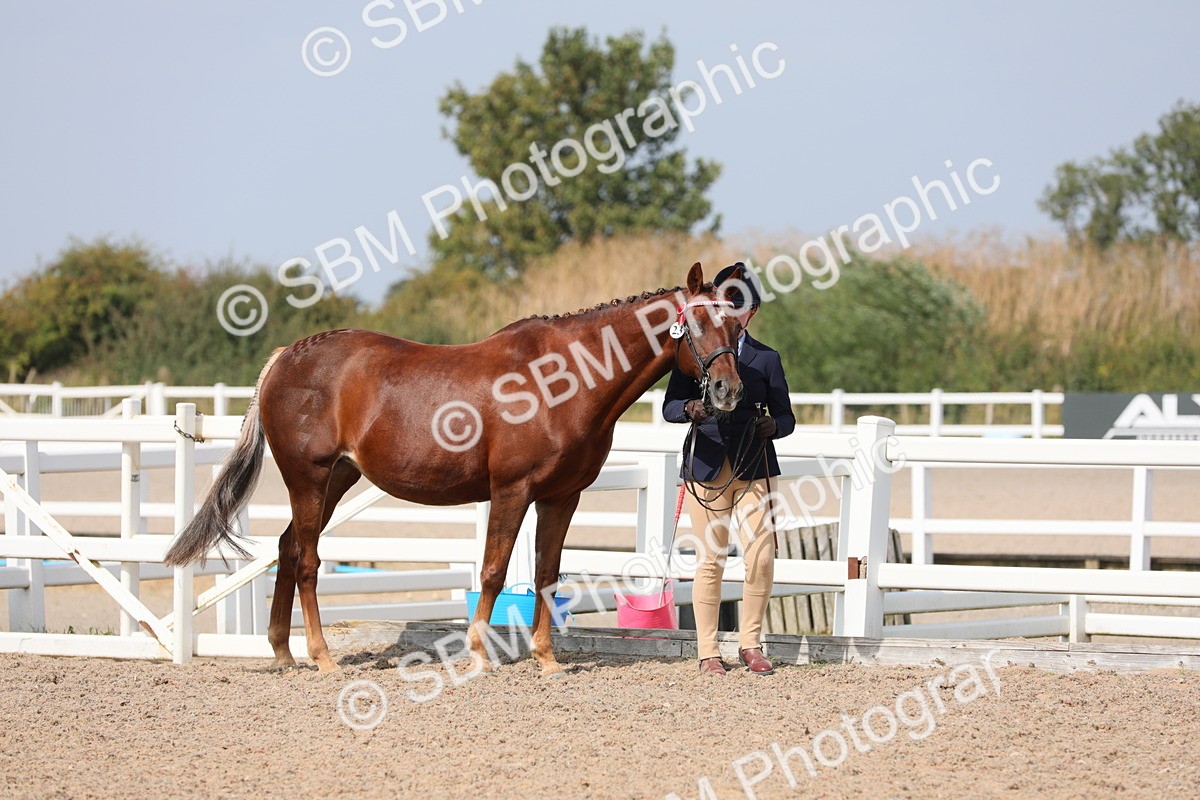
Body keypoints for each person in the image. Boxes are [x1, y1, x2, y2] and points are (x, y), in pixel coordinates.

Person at [662, 263, 795, 675]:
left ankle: (750, 644)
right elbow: (669, 407)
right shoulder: (695, 353)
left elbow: (787, 417)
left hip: (755, 466)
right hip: (707, 467)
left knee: (760, 557)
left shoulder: (766, 359)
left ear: (751, 312)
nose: (732, 313)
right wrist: (689, 408)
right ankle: (708, 651)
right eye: (727, 304)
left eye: (740, 306)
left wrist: (775, 426)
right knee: (710, 558)